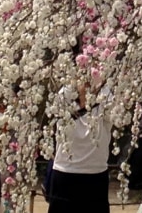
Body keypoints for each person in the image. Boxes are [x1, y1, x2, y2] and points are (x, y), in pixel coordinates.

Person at [46, 82, 111, 213]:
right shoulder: (65, 94)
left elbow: (115, 114)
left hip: (95, 173)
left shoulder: (106, 97)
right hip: (65, 171)